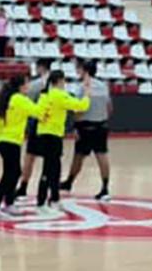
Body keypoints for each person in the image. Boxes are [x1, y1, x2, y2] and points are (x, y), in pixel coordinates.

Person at [34, 70, 91, 210]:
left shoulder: (44, 95)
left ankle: (53, 198)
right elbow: (80, 106)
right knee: (51, 169)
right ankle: (43, 201)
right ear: (60, 81)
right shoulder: (60, 95)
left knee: (51, 167)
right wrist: (87, 95)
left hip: (42, 134)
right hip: (53, 135)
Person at [0, 75, 45, 217]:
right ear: (20, 86)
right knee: (11, 174)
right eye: (26, 84)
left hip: (4, 140)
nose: (28, 86)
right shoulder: (20, 99)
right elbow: (38, 112)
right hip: (11, 141)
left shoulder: (8, 99)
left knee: (12, 172)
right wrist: (45, 97)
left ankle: (9, 203)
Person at [61, 60, 113, 200]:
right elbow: (109, 108)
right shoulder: (103, 86)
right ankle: (105, 188)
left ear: (85, 71)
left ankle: (69, 182)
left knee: (78, 156)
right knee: (102, 155)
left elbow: (79, 109)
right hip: (101, 125)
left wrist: (75, 126)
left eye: (79, 69)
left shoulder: (81, 88)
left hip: (85, 127)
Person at [14, 59, 51, 200]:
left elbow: (27, 103)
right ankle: (47, 190)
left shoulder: (35, 85)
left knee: (30, 157)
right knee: (50, 160)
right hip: (52, 125)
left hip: (37, 123)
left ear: (40, 67)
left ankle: (23, 187)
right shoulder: (58, 84)